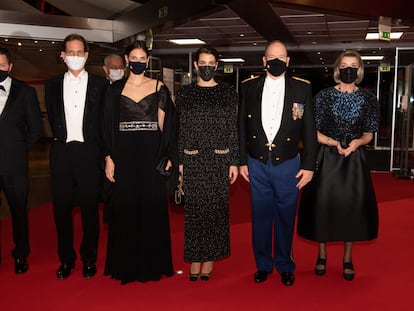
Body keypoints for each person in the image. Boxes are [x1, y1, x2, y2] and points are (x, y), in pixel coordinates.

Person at [239, 40, 317, 286]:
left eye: (281, 57)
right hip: (257, 162)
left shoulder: (301, 89)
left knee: (285, 216)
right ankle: (263, 263)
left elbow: (309, 129)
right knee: (260, 216)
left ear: (288, 61)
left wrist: (309, 165)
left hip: (288, 163)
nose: (276, 62)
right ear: (263, 61)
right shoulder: (248, 87)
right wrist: (241, 161)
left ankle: (284, 263)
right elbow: (240, 126)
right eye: (271, 58)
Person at [297, 50, 379, 281]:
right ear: (337, 69)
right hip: (326, 158)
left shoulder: (368, 99)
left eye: (353, 65)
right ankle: (321, 254)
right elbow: (312, 131)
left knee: (351, 209)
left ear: (360, 70)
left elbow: (369, 134)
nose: (349, 69)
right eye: (344, 65)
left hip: (353, 160)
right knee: (324, 205)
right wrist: (334, 142)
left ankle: (347, 257)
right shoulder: (323, 96)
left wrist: (356, 143)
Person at [103, 41, 176, 284]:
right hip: (123, 154)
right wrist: (108, 158)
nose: (137, 61)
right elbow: (105, 127)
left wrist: (167, 156)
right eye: (133, 57)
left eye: (142, 57)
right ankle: (126, 265)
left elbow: (167, 126)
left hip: (151, 154)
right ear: (126, 60)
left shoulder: (159, 87)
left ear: (147, 61)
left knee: (151, 205)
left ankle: (152, 264)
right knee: (125, 206)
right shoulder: (114, 90)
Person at [45, 34, 107, 280]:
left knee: (91, 209)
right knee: (61, 211)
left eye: (80, 52)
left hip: (89, 153)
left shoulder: (100, 85)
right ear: (62, 55)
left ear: (87, 55)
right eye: (70, 52)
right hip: (61, 152)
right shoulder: (51, 85)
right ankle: (66, 259)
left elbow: (104, 122)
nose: (75, 56)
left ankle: (89, 257)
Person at [175, 45, 239, 282]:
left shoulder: (227, 92)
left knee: (215, 211)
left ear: (217, 65)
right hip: (192, 159)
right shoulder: (185, 94)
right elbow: (180, 129)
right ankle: (195, 258)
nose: (207, 67)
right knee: (195, 212)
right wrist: (180, 161)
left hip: (219, 159)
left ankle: (210, 258)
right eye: (203, 63)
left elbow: (232, 128)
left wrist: (233, 161)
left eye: (211, 63)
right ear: (195, 66)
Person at [0, 47, 42, 273]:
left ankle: (21, 254)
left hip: (15, 164)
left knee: (18, 211)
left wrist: (19, 149)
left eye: (2, 65)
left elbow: (35, 128)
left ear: (10, 67)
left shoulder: (25, 92)